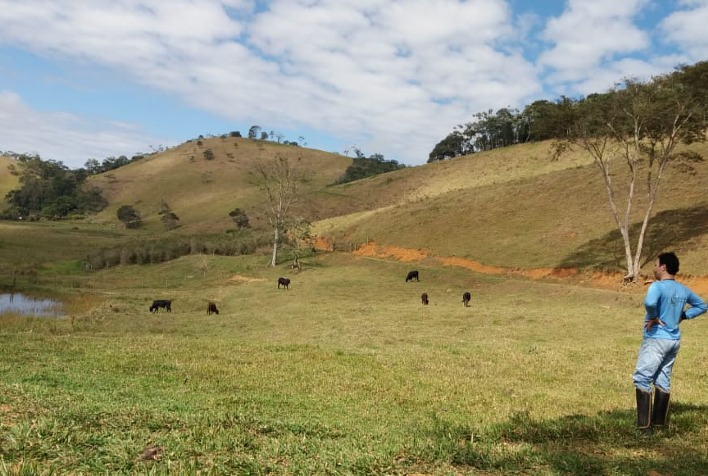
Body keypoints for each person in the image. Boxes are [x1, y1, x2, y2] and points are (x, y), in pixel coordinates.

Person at [633, 252, 707, 434]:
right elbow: (702, 305)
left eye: (656, 264)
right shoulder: (683, 289)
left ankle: (644, 427)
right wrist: (683, 315)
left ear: (663, 267)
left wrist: (653, 317)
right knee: (663, 379)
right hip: (673, 340)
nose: (654, 268)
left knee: (642, 377)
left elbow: (650, 303)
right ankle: (659, 424)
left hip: (657, 338)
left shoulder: (657, 287)